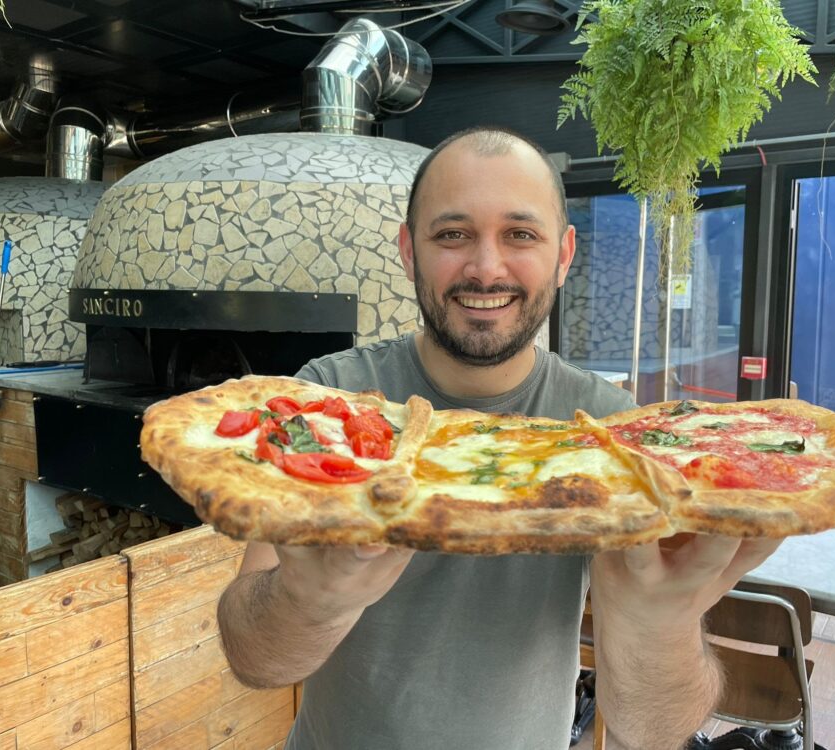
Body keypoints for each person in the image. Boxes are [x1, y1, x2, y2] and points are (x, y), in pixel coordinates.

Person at [217, 126, 781, 750]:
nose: (486, 269)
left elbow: (653, 731)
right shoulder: (326, 402)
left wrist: (661, 627)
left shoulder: (609, 431)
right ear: (409, 251)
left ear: (564, 255)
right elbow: (256, 663)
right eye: (452, 234)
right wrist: (309, 601)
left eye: (520, 234)